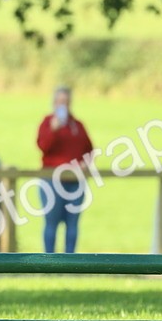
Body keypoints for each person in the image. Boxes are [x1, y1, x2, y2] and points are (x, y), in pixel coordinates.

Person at [35, 86, 94, 254]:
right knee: (51, 223)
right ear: (54, 103)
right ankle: (49, 261)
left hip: (75, 182)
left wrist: (85, 163)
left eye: (66, 102)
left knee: (72, 225)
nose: (63, 106)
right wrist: (53, 129)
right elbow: (43, 146)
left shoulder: (78, 125)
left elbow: (89, 149)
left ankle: (70, 262)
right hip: (52, 181)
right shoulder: (47, 123)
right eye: (60, 102)